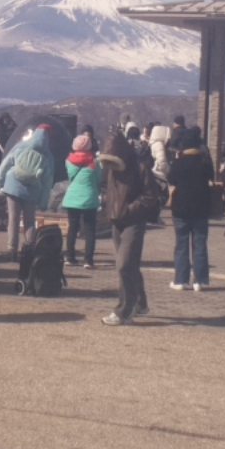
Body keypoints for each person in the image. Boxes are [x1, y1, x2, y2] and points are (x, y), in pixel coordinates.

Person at [98, 131, 161, 324]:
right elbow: (104, 187)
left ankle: (124, 310)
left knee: (124, 265)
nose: (111, 167)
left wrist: (128, 209)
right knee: (129, 264)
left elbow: (150, 196)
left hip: (134, 221)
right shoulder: (110, 169)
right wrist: (107, 203)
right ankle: (140, 303)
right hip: (116, 221)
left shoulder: (140, 167)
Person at [0, 125, 55, 260]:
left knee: (13, 219)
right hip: (32, 192)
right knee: (30, 222)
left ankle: (12, 250)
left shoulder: (21, 146)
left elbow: (5, 165)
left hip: (12, 187)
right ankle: (29, 249)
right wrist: (43, 202)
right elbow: (47, 183)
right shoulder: (48, 156)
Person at [167, 127, 213, 291]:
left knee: (181, 244)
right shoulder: (204, 164)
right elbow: (211, 178)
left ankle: (181, 280)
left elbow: (171, 180)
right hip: (201, 208)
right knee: (200, 244)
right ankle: (199, 280)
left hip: (181, 208)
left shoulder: (178, 164)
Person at [62, 134, 101, 269]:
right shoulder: (94, 162)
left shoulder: (68, 161)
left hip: (72, 198)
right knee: (90, 229)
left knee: (73, 228)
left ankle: (70, 257)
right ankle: (88, 260)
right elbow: (98, 179)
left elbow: (70, 177)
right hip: (89, 198)